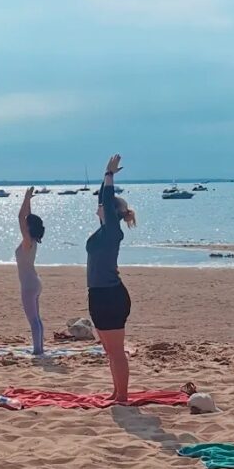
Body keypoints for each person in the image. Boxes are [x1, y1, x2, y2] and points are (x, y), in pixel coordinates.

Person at [86, 154, 137, 403]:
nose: (99, 206)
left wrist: (109, 175)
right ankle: (117, 392)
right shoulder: (104, 229)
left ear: (111, 212)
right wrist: (105, 178)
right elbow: (103, 199)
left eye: (105, 206)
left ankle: (123, 396)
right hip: (98, 293)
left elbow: (106, 199)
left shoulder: (113, 232)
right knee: (109, 350)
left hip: (111, 296)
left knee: (116, 351)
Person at [16, 187, 46, 355]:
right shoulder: (32, 240)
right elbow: (26, 218)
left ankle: (37, 350)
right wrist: (28, 201)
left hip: (29, 285)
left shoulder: (28, 242)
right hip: (34, 282)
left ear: (28, 228)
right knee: (36, 319)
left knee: (33, 320)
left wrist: (26, 197)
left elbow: (21, 217)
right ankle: (39, 348)